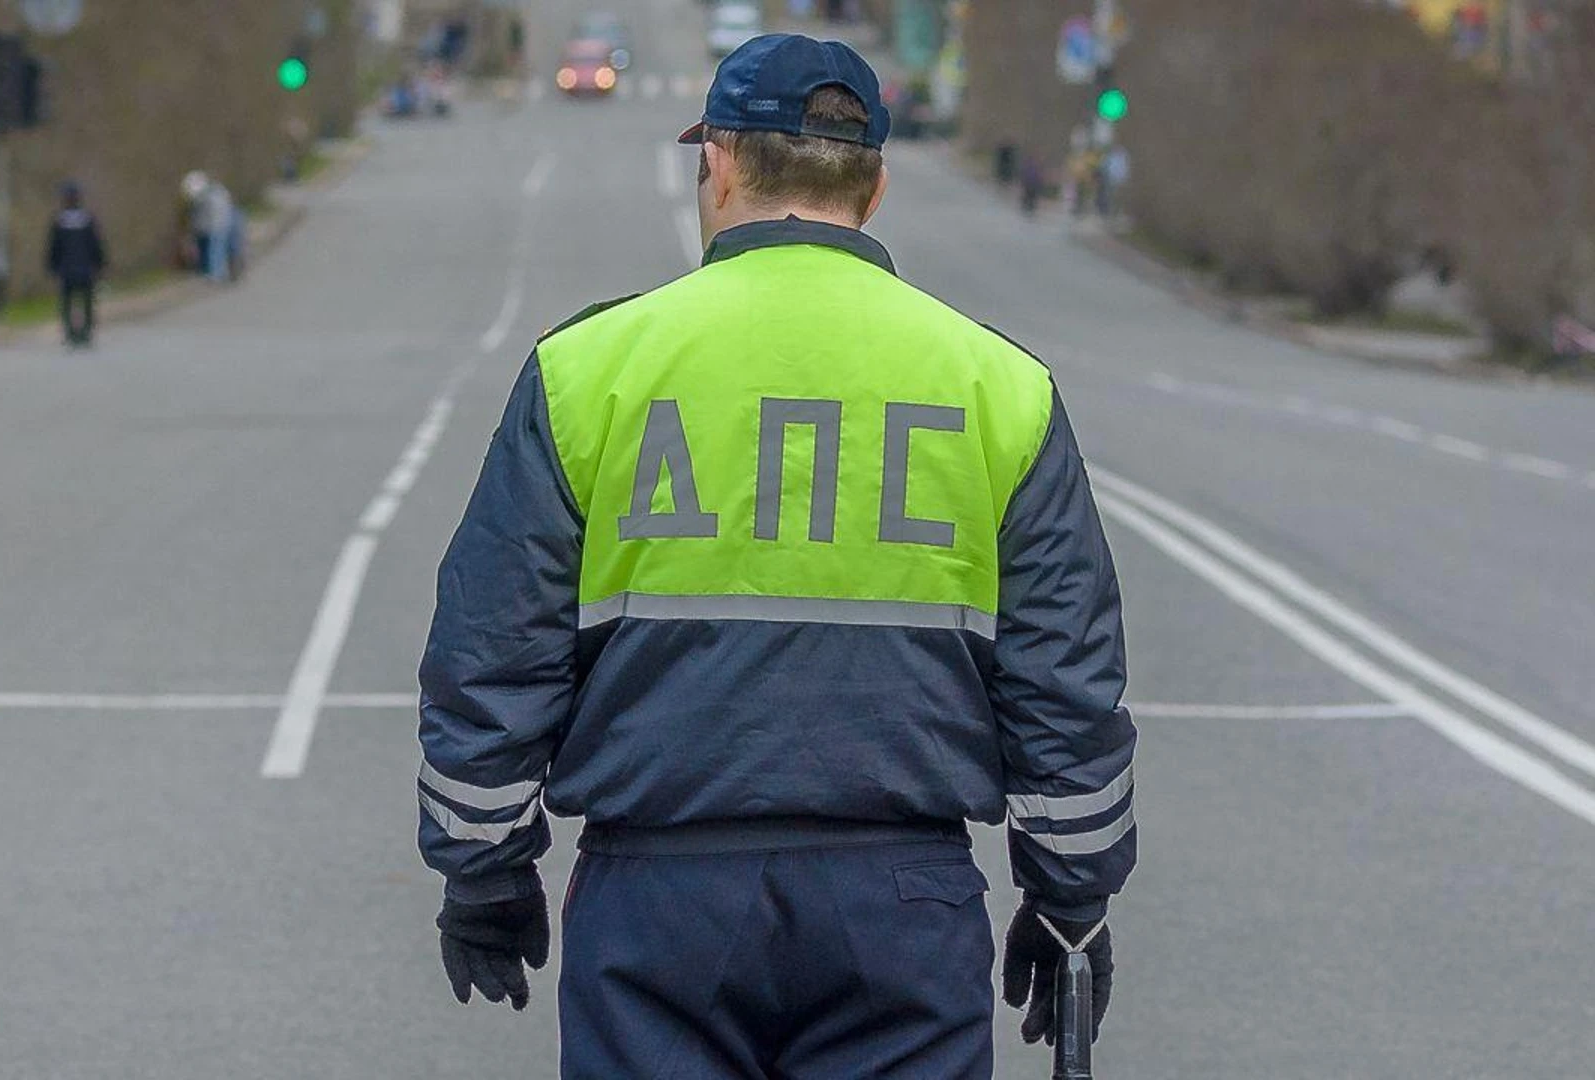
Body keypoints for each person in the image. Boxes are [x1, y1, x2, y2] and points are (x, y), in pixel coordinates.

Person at [417, 34, 1136, 1078]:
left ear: (715, 160)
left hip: (657, 908)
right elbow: (1065, 677)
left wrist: (484, 870)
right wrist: (1069, 900)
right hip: (905, 907)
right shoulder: (998, 386)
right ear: (875, 186)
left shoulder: (587, 370)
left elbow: (492, 647)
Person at [45, 181, 107, 348]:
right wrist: (100, 264)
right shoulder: (87, 220)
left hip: (67, 269)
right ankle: (85, 332)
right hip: (85, 269)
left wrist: (52, 267)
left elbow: (53, 247)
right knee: (86, 301)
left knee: (67, 301)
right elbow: (96, 245)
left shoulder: (59, 221)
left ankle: (70, 332)